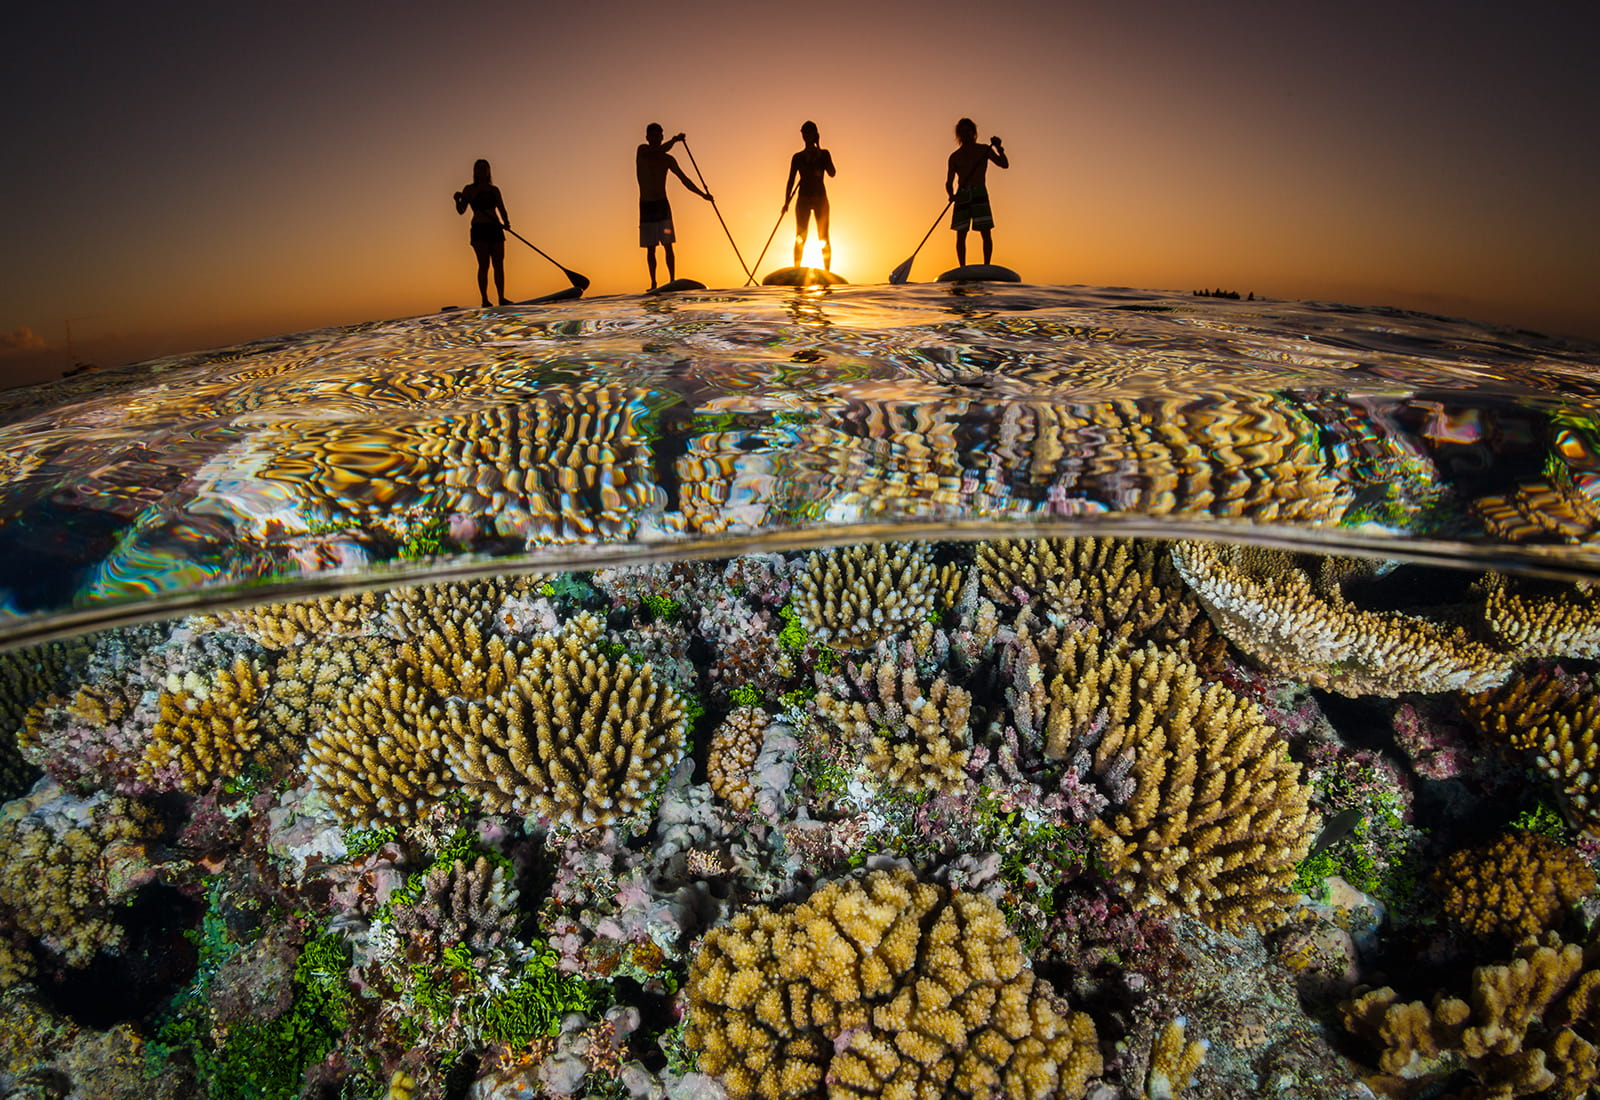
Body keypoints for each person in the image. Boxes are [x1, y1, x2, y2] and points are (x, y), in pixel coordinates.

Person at [636, 123, 713, 290]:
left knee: (668, 245)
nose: (656, 139)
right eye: (653, 136)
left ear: (661, 137)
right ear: (648, 137)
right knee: (651, 249)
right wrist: (675, 140)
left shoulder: (668, 159)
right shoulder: (642, 151)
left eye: (659, 136)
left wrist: (703, 195)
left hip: (662, 205)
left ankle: (672, 280)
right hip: (646, 206)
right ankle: (653, 283)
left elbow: (684, 180)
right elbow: (658, 150)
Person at [945, 118, 1009, 266]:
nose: (966, 134)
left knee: (986, 232)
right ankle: (962, 267)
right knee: (961, 234)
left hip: (980, 192)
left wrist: (999, 148)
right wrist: (951, 195)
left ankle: (987, 265)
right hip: (962, 194)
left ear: (974, 133)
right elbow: (948, 182)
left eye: (969, 131)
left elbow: (1004, 164)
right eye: (963, 132)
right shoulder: (954, 157)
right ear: (959, 134)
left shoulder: (984, 150)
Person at [453, 159, 511, 307]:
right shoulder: (469, 189)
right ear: (475, 171)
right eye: (479, 168)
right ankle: (485, 299)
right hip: (479, 230)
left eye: (485, 168)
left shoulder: (494, 190)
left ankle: (501, 298)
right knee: (484, 265)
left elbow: (501, 208)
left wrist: (506, 222)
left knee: (499, 264)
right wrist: (457, 200)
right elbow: (461, 210)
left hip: (495, 228)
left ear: (489, 171)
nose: (482, 170)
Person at [784, 121, 836, 270]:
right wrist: (786, 202)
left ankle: (827, 271)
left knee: (824, 237)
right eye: (804, 133)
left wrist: (821, 153)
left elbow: (832, 173)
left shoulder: (824, 154)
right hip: (803, 200)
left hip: (821, 200)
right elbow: (791, 180)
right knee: (800, 237)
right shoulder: (798, 157)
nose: (806, 136)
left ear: (815, 135)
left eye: (809, 133)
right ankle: (797, 269)